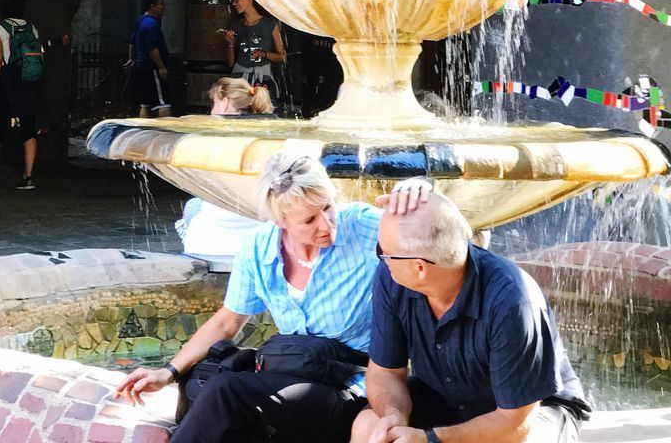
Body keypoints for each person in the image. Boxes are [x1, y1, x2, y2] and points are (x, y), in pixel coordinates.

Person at [117, 153, 431, 443]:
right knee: (207, 383)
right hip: (291, 377)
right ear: (281, 222)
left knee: (228, 392)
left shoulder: (366, 227)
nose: (326, 224)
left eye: (327, 207)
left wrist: (419, 191)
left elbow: (438, 238)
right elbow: (227, 322)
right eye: (308, 221)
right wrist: (167, 373)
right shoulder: (258, 249)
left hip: (354, 386)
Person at [353, 192, 591, 443]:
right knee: (370, 425)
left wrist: (431, 438)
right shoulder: (391, 277)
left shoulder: (513, 302)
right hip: (443, 396)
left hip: (533, 410)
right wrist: (394, 415)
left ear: (419, 267)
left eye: (383, 251)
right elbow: (384, 372)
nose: (381, 258)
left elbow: (517, 425)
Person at [0, 0, 67, 190]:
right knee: (29, 128)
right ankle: (28, 177)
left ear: (3, 8)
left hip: (8, 81)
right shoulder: (31, 28)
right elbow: (38, 58)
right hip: (29, 81)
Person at [176, 77, 274, 262]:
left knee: (193, 206)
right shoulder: (270, 139)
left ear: (224, 102)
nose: (212, 110)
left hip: (212, 245)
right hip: (262, 239)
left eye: (214, 103)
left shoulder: (215, 142)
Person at [222, 0, 286, 105]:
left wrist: (264, 54)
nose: (234, 3)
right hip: (239, 81)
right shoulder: (236, 26)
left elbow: (281, 56)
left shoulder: (270, 23)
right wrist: (230, 44)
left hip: (262, 80)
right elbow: (230, 63)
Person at [129, 0, 172, 119]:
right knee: (163, 104)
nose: (163, 7)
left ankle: (143, 134)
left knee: (145, 104)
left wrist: (132, 59)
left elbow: (132, 43)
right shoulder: (151, 24)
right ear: (152, 6)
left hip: (140, 67)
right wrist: (161, 66)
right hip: (152, 68)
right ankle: (165, 134)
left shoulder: (140, 21)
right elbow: (152, 48)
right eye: (161, 4)